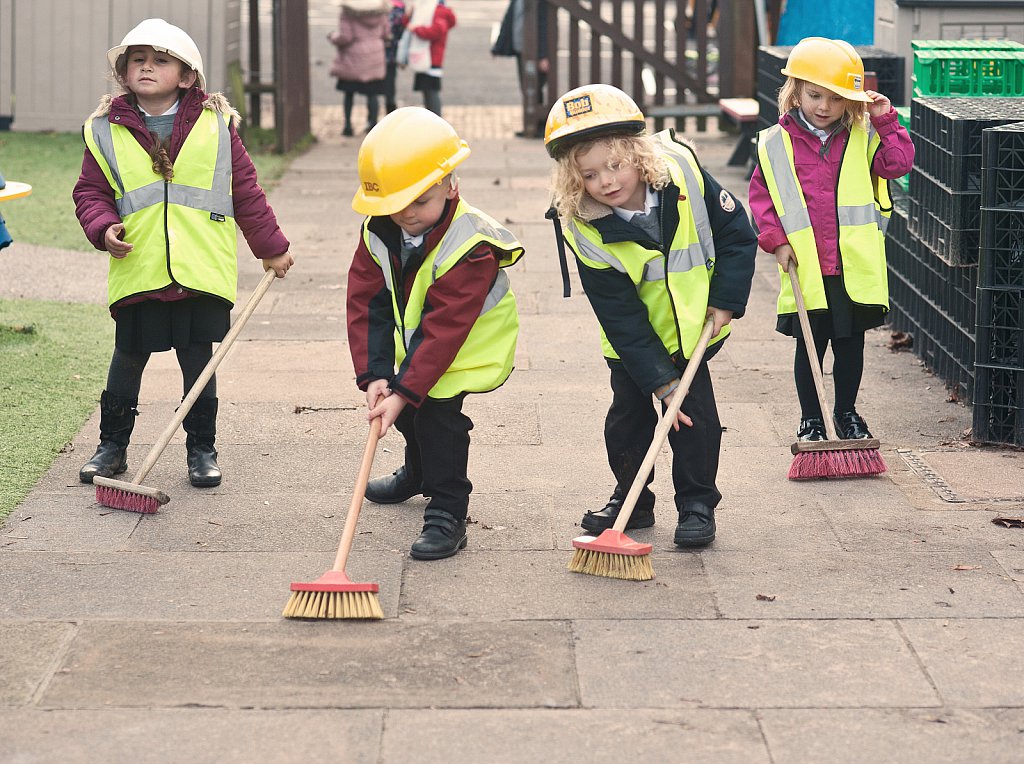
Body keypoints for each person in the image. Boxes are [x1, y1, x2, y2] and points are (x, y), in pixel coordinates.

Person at [73, 18, 293, 488]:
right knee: (127, 357)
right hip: (140, 266)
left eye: (160, 60)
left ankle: (201, 449)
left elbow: (246, 192)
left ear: (187, 76)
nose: (147, 67)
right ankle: (111, 447)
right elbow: (91, 193)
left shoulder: (218, 127)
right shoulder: (103, 131)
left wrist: (271, 248)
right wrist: (102, 227)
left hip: (199, 269)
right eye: (138, 60)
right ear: (123, 73)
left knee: (198, 361)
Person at [545, 84, 756, 547]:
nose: (607, 181)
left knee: (694, 420)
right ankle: (633, 499)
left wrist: (726, 300)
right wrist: (659, 380)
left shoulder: (683, 175)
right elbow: (618, 313)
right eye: (591, 174)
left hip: (691, 331)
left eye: (616, 165)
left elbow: (738, 235)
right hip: (631, 345)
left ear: (638, 154)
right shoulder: (584, 226)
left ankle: (697, 504)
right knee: (628, 421)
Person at [347, 107, 524, 560]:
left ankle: (447, 509)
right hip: (419, 348)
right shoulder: (378, 233)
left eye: (421, 200)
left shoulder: (471, 246)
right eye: (394, 202)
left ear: (452, 185)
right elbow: (368, 304)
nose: (406, 213)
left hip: (464, 349)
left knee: (437, 421)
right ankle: (418, 471)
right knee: (405, 414)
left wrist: (405, 389)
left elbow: (447, 327)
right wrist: (376, 374)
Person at [748, 37, 913, 443]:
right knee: (809, 348)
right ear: (796, 91)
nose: (823, 107)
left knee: (850, 347)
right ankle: (812, 419)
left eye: (836, 99)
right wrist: (775, 240)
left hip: (851, 268)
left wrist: (885, 119)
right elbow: (762, 195)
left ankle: (846, 412)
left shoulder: (864, 134)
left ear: (850, 102)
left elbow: (898, 164)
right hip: (806, 265)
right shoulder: (775, 141)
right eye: (814, 95)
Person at [329, 0, 390, 137]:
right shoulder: (380, 11)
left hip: (353, 59)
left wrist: (332, 37)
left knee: (349, 93)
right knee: (372, 94)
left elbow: (345, 37)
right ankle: (373, 126)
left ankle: (348, 126)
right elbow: (386, 33)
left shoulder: (348, 12)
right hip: (375, 57)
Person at [491, 0, 550, 137]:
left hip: (535, 50)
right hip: (521, 49)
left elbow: (543, 25)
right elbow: (509, 19)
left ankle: (539, 125)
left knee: (536, 88)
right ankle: (531, 124)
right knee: (526, 88)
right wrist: (497, 47)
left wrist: (543, 55)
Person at [399, 0, 456, 116]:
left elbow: (435, 31)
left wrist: (416, 29)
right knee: (427, 91)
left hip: (431, 58)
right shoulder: (424, 8)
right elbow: (406, 23)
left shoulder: (439, 11)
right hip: (423, 56)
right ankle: (432, 119)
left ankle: (436, 120)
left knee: (431, 92)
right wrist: (408, 15)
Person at [383, 0, 407, 113]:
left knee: (375, 87)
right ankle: (390, 110)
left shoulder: (383, 8)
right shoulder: (401, 9)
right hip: (393, 52)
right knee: (390, 83)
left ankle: (373, 119)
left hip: (381, 52)